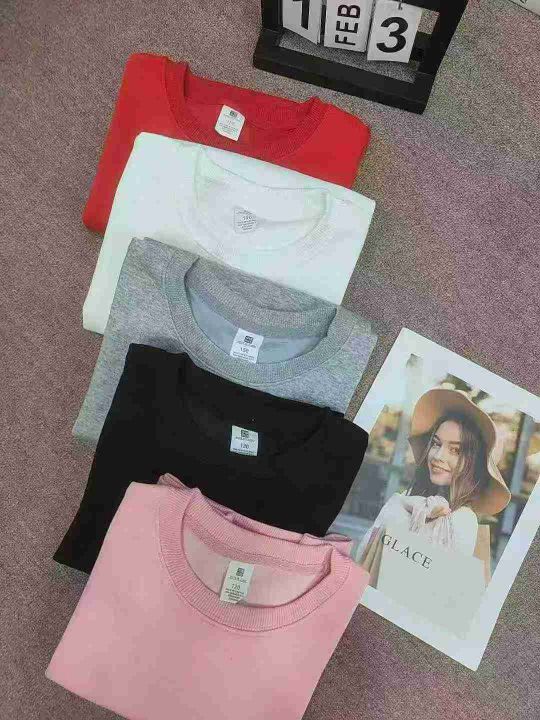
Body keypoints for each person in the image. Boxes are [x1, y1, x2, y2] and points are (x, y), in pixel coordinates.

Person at [358, 388, 511, 561]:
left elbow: (425, 576)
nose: (438, 456)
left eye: (455, 450)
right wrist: (403, 503)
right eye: (436, 444)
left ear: (475, 464)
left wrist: (400, 506)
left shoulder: (463, 520)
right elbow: (364, 557)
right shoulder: (409, 497)